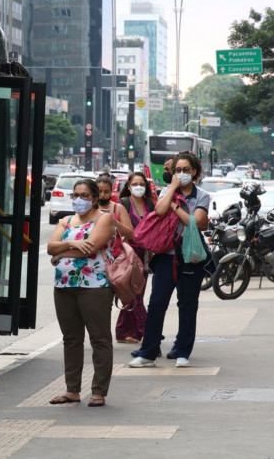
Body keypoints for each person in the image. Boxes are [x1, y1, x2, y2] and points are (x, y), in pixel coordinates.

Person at [129, 151, 210, 369]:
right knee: (157, 303)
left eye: (185, 170)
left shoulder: (202, 196)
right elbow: (159, 209)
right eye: (177, 170)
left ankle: (182, 351)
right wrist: (173, 190)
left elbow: (196, 222)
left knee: (187, 304)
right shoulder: (167, 191)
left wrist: (176, 207)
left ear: (194, 171)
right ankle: (148, 351)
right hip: (166, 256)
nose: (181, 174)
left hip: (191, 256)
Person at [47, 179, 116, 407]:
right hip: (64, 286)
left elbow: (92, 248)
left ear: (95, 198)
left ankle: (98, 391)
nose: (79, 200)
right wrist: (76, 245)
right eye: (75, 195)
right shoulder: (66, 220)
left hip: (94, 287)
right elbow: (50, 247)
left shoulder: (104, 218)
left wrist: (62, 253)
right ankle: (72, 390)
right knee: (71, 339)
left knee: (99, 338)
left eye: (85, 195)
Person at [114, 172, 155, 343]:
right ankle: (147, 329)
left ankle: (125, 332)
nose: (138, 187)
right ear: (129, 187)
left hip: (145, 254)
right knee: (133, 294)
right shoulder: (123, 204)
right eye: (135, 184)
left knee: (137, 293)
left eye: (142, 184)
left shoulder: (150, 203)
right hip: (128, 253)